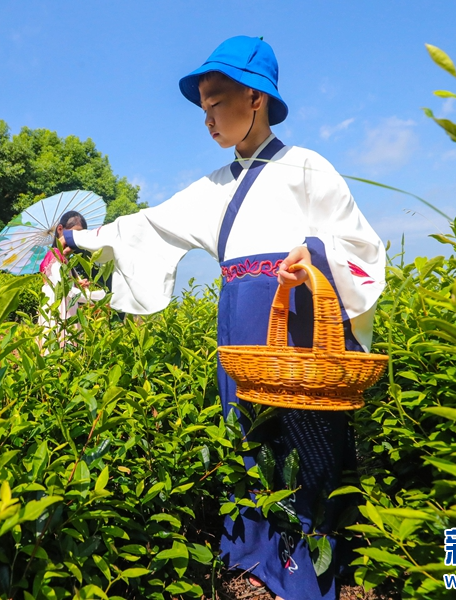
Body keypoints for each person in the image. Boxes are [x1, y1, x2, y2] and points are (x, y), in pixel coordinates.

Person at [59, 36, 385, 600]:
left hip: (295, 315)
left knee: (301, 431)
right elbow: (146, 226)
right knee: (245, 429)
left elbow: (361, 245)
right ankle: (254, 549)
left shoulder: (308, 167)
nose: (207, 118)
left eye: (216, 102)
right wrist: (80, 239)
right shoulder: (213, 188)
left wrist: (312, 250)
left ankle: (311, 556)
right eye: (203, 107)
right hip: (238, 317)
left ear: (255, 99)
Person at [38, 210, 106, 349]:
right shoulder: (55, 257)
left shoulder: (63, 260)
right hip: (60, 310)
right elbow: (65, 291)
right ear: (60, 230)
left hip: (64, 307)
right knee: (62, 347)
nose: (76, 239)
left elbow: (66, 287)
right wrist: (101, 297)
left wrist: (76, 284)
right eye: (74, 233)